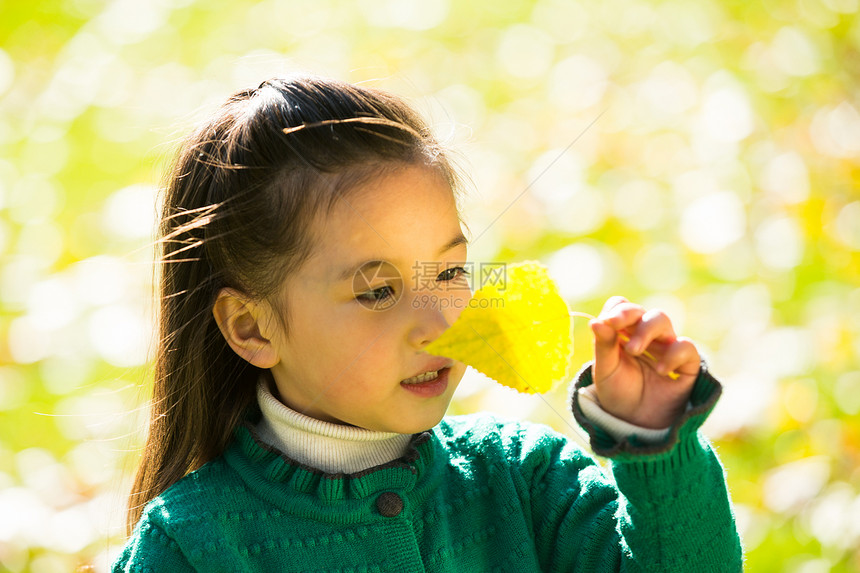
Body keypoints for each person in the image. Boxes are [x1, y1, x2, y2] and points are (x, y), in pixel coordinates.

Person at [113, 75, 743, 572]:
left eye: (448, 273)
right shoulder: (191, 545)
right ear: (253, 329)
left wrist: (655, 441)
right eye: (378, 290)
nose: (437, 323)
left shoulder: (523, 479)